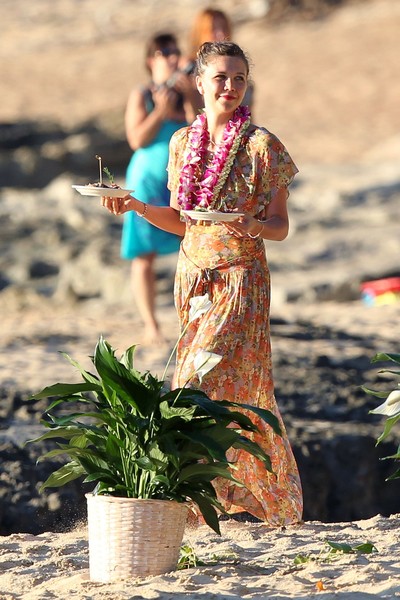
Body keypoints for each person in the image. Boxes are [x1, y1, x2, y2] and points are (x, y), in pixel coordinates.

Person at [102, 41, 303, 526]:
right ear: (199, 82)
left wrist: (256, 227)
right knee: (209, 384)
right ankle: (204, 503)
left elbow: (280, 224)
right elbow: (183, 220)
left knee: (198, 383)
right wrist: (135, 207)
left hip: (240, 277)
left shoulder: (262, 145)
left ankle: (203, 498)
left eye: (239, 78)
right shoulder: (180, 143)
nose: (231, 87)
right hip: (191, 276)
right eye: (221, 77)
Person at [121, 33, 197, 344]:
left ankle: (191, 318)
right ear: (150, 59)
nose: (170, 57)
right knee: (144, 254)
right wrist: (160, 112)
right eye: (163, 52)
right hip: (148, 181)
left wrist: (191, 96)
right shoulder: (142, 94)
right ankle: (150, 324)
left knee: (193, 250)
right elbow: (136, 140)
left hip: (182, 182)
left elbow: (202, 131)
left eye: (174, 51)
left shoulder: (186, 92)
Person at [185, 7, 254, 110]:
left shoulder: (239, 65)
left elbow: (249, 116)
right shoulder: (187, 69)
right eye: (213, 29)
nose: (221, 34)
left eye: (224, 28)